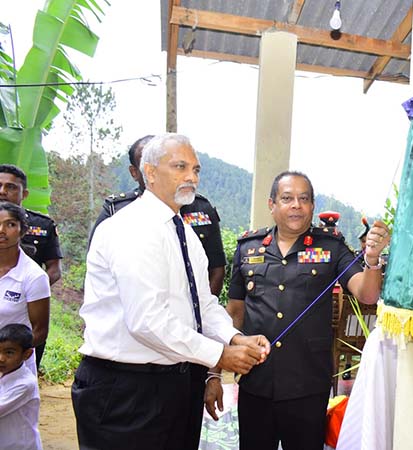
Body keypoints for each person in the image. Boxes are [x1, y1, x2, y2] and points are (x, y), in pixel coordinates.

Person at [71, 133, 270, 450]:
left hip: (174, 384)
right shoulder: (131, 228)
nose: (191, 177)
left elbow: (202, 305)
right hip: (125, 389)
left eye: (196, 169)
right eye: (180, 167)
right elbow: (147, 321)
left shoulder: (184, 232)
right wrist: (219, 355)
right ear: (149, 172)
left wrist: (234, 338)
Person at [211, 171, 390, 450]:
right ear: (272, 205)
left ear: (312, 206)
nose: (296, 205)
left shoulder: (331, 247)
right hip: (256, 382)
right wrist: (216, 370)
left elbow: (367, 293)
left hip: (307, 385)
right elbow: (234, 314)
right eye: (287, 198)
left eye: (303, 199)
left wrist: (373, 259)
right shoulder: (249, 248)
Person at [89, 135, 227, 295]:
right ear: (136, 171)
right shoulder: (117, 214)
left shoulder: (199, 209)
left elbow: (216, 269)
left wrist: (200, 316)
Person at [0, 165, 61, 369]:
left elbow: (54, 268)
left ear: (24, 193)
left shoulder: (41, 225)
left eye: (10, 187)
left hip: (24, 310)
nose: (2, 191)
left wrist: (31, 293)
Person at [0, 201, 50, 375]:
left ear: (22, 231)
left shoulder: (34, 277)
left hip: (13, 370)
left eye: (10, 224)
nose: (1, 230)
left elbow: (40, 330)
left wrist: (9, 356)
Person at [0, 323, 42, 450]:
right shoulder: (4, 374)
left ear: (27, 354)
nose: (1, 358)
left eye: (9, 353)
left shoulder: (25, 384)